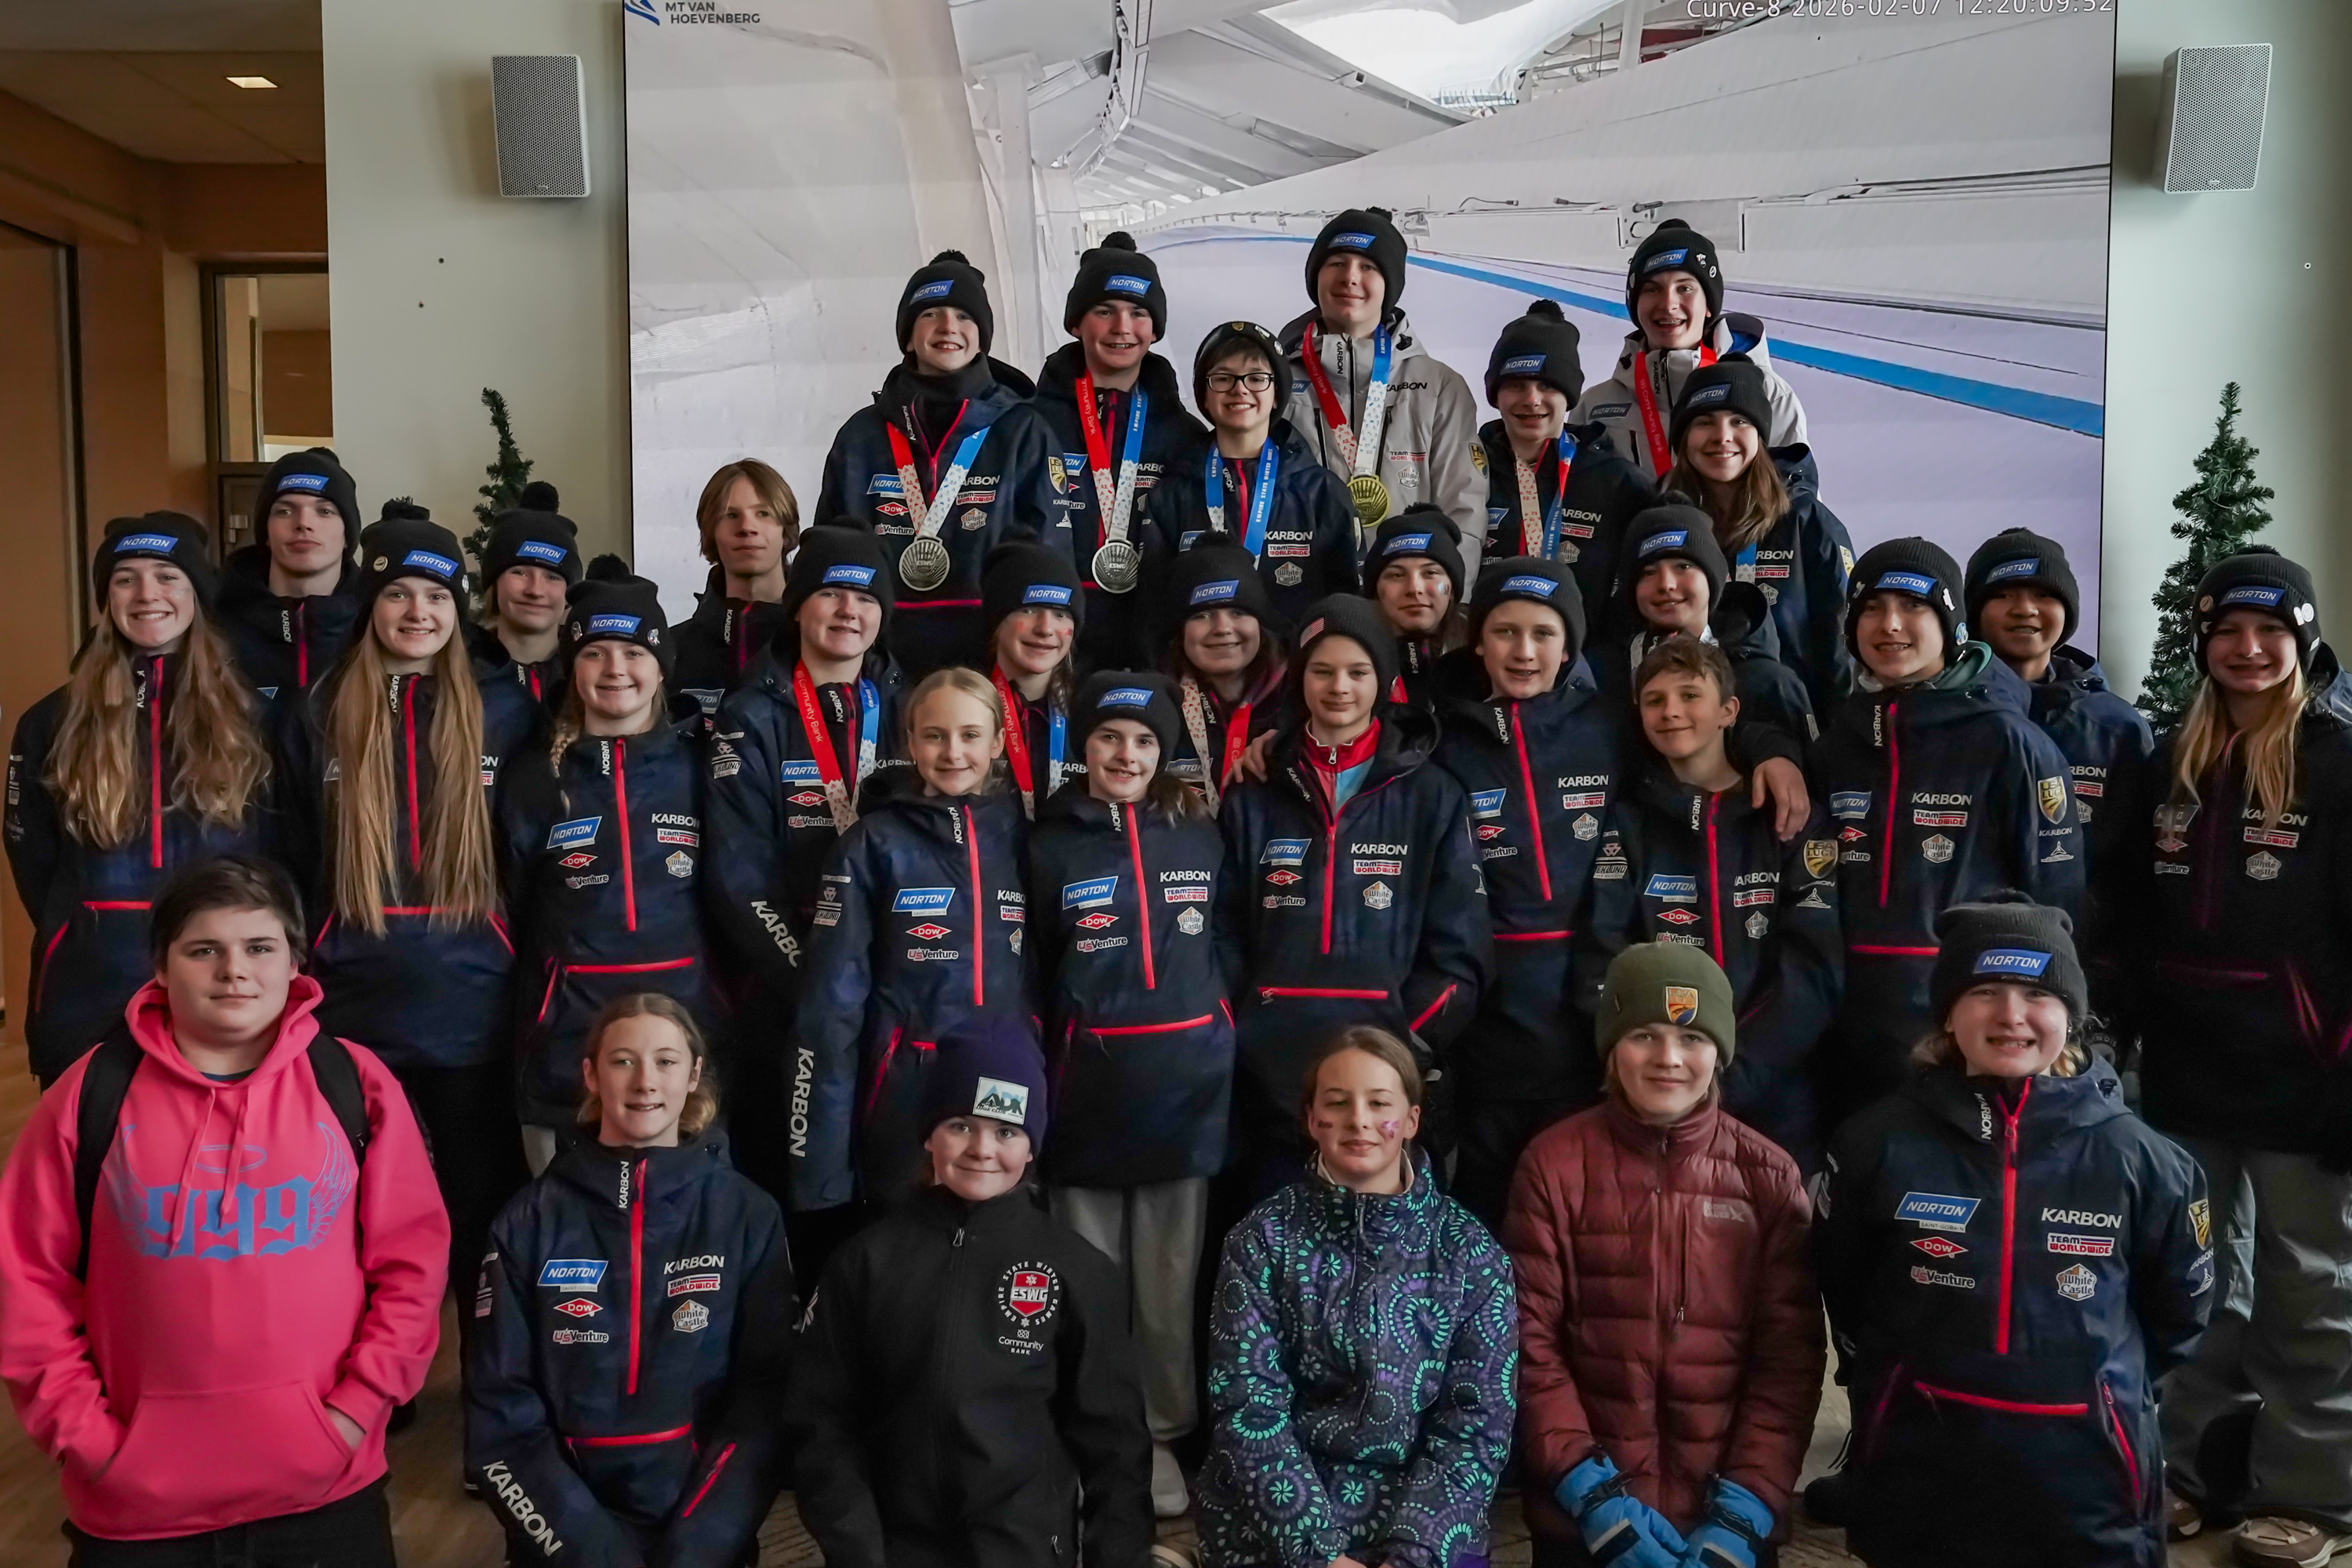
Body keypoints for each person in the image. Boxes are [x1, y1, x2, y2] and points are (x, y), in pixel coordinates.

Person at [0, 855, 447, 1565]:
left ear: (295, 964)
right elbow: (26, 1286)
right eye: (203, 950)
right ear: (160, 966)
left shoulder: (354, 1085)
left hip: (325, 1489)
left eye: (259, 947)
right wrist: (90, 1441)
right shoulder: (89, 1097)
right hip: (136, 1506)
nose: (234, 971)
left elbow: (412, 1266)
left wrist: (355, 1414)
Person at [1816, 895, 2211, 1568]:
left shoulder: (2144, 1163)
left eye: (2037, 994)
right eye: (1985, 992)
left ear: (2071, 1015)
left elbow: (2179, 1316)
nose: (2011, 1015)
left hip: (2090, 1483)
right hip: (1920, 1471)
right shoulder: (1873, 1144)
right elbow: (1845, 1287)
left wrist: (2103, 1397)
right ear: (1947, 1012)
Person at [2134, 550, 2352, 1566]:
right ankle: (2194, 1469)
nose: (2248, 648)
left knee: (2308, 1293)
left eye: (2270, 631)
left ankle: (2315, 1494)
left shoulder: (2338, 759)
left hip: (2307, 1081)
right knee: (2198, 1287)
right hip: (2186, 1077)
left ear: (2302, 640)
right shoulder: (2171, 757)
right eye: (2227, 630)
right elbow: (2132, 912)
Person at [278, 501, 540, 1338]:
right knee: (362, 1206)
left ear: (458, 607)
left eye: (436, 595)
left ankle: (487, 1378)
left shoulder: (504, 706)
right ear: (371, 604)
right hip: (353, 1000)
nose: (417, 612)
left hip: (472, 1000)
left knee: (477, 1201)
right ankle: (380, 1382)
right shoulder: (319, 709)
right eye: (398, 594)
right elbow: (290, 851)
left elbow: (530, 855)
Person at [784, 1022, 1152, 1568]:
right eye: (961, 1125)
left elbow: (1115, 1445)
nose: (982, 1149)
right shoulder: (864, 1262)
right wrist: (857, 1547)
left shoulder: (1078, 1270)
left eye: (1006, 1132)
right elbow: (821, 1420)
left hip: (1023, 1550)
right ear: (929, 1135)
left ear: (1032, 1147)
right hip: (889, 1551)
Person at [1507, 942, 1824, 1568]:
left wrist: (1744, 1512)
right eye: (1644, 1035)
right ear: (1611, 1049)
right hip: (1585, 1521)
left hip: (1725, 1526)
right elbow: (1527, 1340)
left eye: (1692, 1038)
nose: (1669, 1058)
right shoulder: (1553, 1165)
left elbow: (1788, 1361)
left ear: (1720, 1052)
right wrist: (1593, 1497)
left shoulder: (1768, 1177)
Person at [468, 994, 793, 1568]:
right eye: (623, 1061)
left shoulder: (747, 1214)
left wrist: (698, 1549)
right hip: (564, 1543)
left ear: (693, 1075)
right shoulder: (527, 1221)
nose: (645, 1081)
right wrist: (590, 1553)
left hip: (700, 1541)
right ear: (592, 1075)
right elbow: (500, 1414)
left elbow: (766, 1399)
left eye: (666, 1061)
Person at [1027, 673, 1232, 1519]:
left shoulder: (1200, 833)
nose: (1127, 754)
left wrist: (1215, 1030)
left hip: (1185, 1094)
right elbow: (1033, 970)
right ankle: (1091, 1432)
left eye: (1145, 740)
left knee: (1169, 1282)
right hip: (1085, 1094)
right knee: (1087, 1280)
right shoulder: (1047, 844)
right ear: (1084, 746)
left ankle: (1160, 1435)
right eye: (1110, 737)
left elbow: (1228, 944)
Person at [1196, 1028, 1516, 1568]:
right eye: (1338, 1103)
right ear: (1311, 1119)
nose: (1359, 1120)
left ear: (1412, 1120)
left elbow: (1477, 1425)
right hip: (1275, 1519)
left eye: (1379, 1103)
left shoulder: (1471, 1253)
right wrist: (1318, 1554)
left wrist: (1411, 1553)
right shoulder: (1260, 1240)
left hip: (1424, 1522)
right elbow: (1248, 1407)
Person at [1214, 596, 1490, 1185]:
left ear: (1383, 679)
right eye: (1322, 670)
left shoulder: (1431, 794)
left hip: (1384, 1086)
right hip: (1270, 1086)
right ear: (1299, 678)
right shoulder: (1254, 792)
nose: (1339, 687)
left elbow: (1460, 950)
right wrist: (1249, 1029)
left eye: (1358, 671)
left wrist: (1402, 1043)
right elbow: (1222, 931)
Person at [1813, 539, 2082, 1124]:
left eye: (1913, 607)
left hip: (1962, 1030)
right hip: (1840, 1026)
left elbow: (2053, 901)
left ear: (1951, 625)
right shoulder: (1839, 740)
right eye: (1871, 608)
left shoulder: (2009, 740)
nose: (1889, 624)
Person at [5, 514, 274, 1087]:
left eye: (167, 576)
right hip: (89, 986)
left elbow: (283, 846)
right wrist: (82, 920)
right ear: (107, 598)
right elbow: (32, 853)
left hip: (224, 982)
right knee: (89, 1135)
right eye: (125, 579)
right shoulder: (50, 720)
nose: (147, 594)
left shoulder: (256, 714)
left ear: (196, 595)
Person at [1582, 637, 1842, 1171]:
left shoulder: (1792, 818)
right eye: (1654, 700)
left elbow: (1813, 970)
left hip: (1779, 1095)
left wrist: (1732, 1075)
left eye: (1689, 695)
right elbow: (1606, 953)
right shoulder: (1627, 823)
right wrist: (1664, 1067)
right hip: (1662, 1092)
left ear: (1728, 711)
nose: (1671, 711)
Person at [789, 667, 1033, 1212]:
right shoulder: (872, 844)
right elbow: (830, 1009)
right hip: (905, 1095)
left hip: (1004, 1089)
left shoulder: (1022, 837)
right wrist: (821, 1171)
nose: (953, 752)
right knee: (905, 1250)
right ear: (911, 742)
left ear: (998, 742)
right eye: (935, 735)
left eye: (971, 735)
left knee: (992, 1244)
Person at [501, 567, 718, 1173]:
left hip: (686, 1019)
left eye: (634, 652)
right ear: (572, 667)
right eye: (594, 653)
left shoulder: (700, 766)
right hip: (565, 1027)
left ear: (661, 668)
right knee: (567, 1208)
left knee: (682, 1202)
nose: (615, 668)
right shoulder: (536, 777)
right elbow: (512, 902)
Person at [1426, 558, 1613, 1225]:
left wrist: (1769, 748)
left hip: (1593, 1022)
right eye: (1505, 632)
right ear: (1478, 642)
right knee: (1489, 1209)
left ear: (1569, 647)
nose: (1524, 651)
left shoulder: (1612, 727)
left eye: (1543, 633)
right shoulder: (1441, 734)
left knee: (1582, 1218)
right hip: (1489, 1025)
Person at [816, 250, 1062, 681]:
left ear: (982, 338)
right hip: (879, 665)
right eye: (931, 314)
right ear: (908, 338)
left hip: (993, 661)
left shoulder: (1023, 431)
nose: (948, 326)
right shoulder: (860, 437)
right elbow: (830, 555)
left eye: (964, 316)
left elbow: (1048, 557)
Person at [1962, 528, 2152, 1042]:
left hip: (2081, 978)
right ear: (1974, 611)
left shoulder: (2116, 728)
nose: (2025, 609)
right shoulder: (1944, 715)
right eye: (2003, 594)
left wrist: (2114, 981)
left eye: (2044, 595)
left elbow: (2135, 873)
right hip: (1964, 975)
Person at [1032, 232, 1208, 670]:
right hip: (1052, 643)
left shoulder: (1184, 434)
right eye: (1104, 311)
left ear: (1155, 329)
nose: (1122, 328)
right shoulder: (1031, 425)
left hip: (1153, 646)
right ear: (1076, 323)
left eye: (1138, 313)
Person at [1279, 208, 1486, 570]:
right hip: (1300, 588)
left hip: (1408, 595)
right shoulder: (1273, 380)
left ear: (1390, 284)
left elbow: (1463, 514)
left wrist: (1448, 596)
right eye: (1337, 263)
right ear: (1315, 277)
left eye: (1368, 267)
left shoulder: (1439, 387)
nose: (1350, 278)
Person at [1660, 356, 1852, 710]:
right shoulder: (1662, 520)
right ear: (1683, 437)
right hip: (1686, 720)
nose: (1722, 437)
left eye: (1739, 421)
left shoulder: (1805, 520)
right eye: (1705, 422)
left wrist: (1838, 732)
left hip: (1790, 717)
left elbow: (1841, 645)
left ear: (1760, 436)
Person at [1147, 319, 1359, 630]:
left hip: (1296, 659)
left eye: (1257, 378)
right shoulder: (1172, 493)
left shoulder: (1322, 492)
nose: (1240, 389)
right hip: (1201, 658)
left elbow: (1345, 603)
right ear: (1204, 397)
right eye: (1223, 379)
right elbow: (1153, 607)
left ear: (1277, 395)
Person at [1574, 220, 1807, 484]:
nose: (1668, 304)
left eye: (1684, 288)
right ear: (1636, 305)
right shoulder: (1594, 406)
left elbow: (1797, 501)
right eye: (1652, 289)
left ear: (1708, 305)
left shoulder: (1768, 394)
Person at [1477, 300, 1656, 631]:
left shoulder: (1616, 480)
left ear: (1569, 394)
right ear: (1496, 394)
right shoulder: (1467, 469)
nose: (1532, 399)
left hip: (1585, 659)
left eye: (1547, 385)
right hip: (1488, 654)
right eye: (1516, 385)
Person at [1587, 505, 1815, 742]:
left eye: (1683, 567)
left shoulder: (1769, 683)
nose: (1666, 584)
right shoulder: (1598, 676)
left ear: (1712, 578)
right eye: (1649, 572)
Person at [216, 446, 362, 710]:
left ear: (347, 535)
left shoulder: (377, 621)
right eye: (285, 511)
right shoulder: (214, 621)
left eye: (324, 511)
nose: (304, 523)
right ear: (266, 532)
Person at [1158, 540, 1287, 811]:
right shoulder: (1156, 706)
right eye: (1203, 615)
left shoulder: (1300, 703)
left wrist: (1292, 743)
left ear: (1260, 624)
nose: (1222, 628)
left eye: (1238, 612)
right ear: (1180, 631)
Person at [674, 458, 800, 721]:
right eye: (731, 516)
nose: (747, 528)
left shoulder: (818, 642)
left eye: (763, 514)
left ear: (786, 529)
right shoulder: (672, 651)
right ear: (711, 531)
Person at [982, 541, 1086, 820]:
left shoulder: (1091, 710)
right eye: (1028, 610)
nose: (1045, 629)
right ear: (997, 621)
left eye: (1061, 614)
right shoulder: (957, 707)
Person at [469, 481, 584, 708]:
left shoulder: (591, 672)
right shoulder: (459, 670)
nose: (535, 590)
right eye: (519, 573)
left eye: (552, 577)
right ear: (494, 583)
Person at [1363, 505, 1468, 710]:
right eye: (1397, 575)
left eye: (1430, 573)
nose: (1414, 589)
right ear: (1375, 590)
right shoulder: (1348, 653)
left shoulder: (1484, 649)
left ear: (1452, 589)